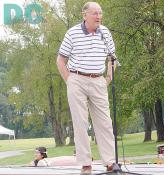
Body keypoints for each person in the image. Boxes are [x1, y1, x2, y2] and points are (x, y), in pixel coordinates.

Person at [56, 1, 117, 174]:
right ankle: (85, 164)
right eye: (95, 13)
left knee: (105, 122)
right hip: (77, 79)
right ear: (85, 15)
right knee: (81, 123)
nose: (98, 16)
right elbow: (60, 60)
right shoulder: (72, 33)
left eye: (100, 13)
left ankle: (110, 162)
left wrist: (108, 77)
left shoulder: (105, 33)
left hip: (98, 80)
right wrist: (70, 81)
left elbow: (112, 58)